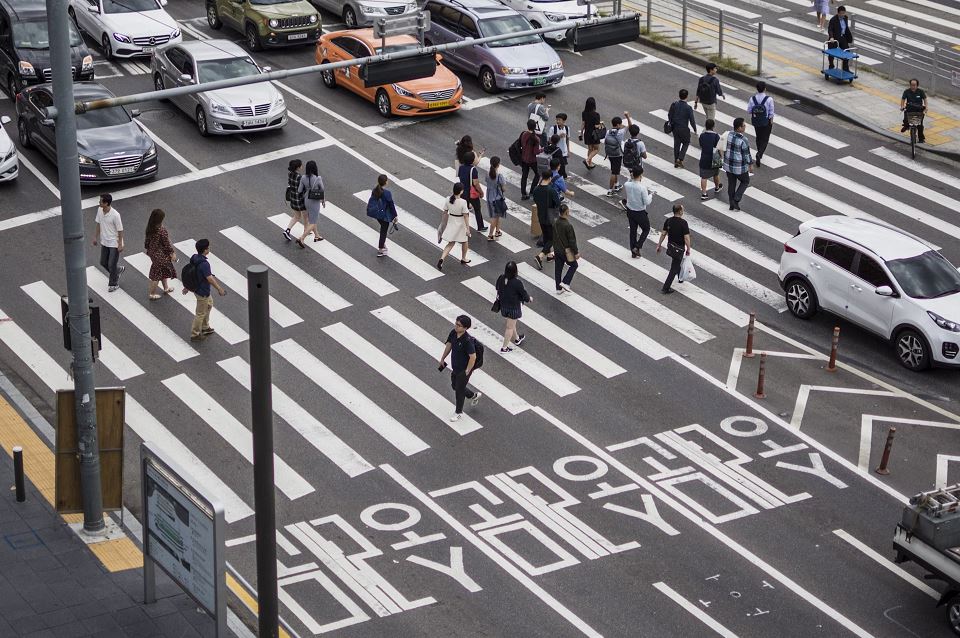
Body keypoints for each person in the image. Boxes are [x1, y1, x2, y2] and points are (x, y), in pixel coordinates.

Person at [438, 314, 482, 422]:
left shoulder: (467, 341)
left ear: (465, 328)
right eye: (456, 323)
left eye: (459, 325)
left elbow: (473, 357)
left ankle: (458, 412)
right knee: (454, 386)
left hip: (464, 369)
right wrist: (443, 358)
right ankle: (473, 395)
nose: (456, 326)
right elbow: (449, 345)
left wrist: (467, 371)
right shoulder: (453, 333)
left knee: (459, 390)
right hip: (456, 367)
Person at [183, 238, 226, 342]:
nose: (209, 249)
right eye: (208, 248)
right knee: (200, 313)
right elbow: (209, 278)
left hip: (199, 289)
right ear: (205, 250)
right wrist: (219, 289)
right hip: (202, 291)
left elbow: (191, 273)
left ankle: (205, 327)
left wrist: (187, 286)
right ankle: (195, 334)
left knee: (209, 304)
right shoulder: (204, 264)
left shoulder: (195, 257)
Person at [495, 261, 531, 353]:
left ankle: (517, 339)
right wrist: (529, 299)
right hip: (513, 308)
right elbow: (524, 295)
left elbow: (497, 287)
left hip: (503, 306)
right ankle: (504, 348)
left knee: (511, 324)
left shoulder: (501, 278)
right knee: (509, 327)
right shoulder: (517, 282)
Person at [91, 193, 125, 292]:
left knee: (111, 264)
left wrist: (120, 244)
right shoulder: (99, 210)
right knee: (103, 262)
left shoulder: (115, 215)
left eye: (100, 201)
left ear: (106, 203)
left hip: (114, 243)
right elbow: (98, 224)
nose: (99, 202)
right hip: (105, 241)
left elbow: (120, 230)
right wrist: (95, 237)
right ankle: (117, 271)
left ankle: (113, 284)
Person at [655, 203, 691, 295]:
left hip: (671, 247)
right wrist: (688, 249)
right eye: (682, 210)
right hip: (679, 248)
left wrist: (659, 245)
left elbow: (663, 234)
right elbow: (686, 238)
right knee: (674, 267)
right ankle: (665, 288)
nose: (683, 211)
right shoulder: (683, 223)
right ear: (680, 211)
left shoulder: (668, 221)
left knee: (676, 262)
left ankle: (680, 277)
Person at [437, 183, 472, 269]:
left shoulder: (448, 199)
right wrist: (468, 229)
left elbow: (445, 212)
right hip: (461, 223)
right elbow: (466, 216)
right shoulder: (463, 202)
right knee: (465, 241)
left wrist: (443, 223)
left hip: (451, 221)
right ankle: (463, 258)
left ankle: (442, 259)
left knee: (451, 243)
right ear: (461, 192)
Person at [144, 208, 177, 300]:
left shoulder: (150, 227)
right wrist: (172, 253)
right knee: (157, 274)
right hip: (160, 255)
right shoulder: (161, 230)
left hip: (153, 253)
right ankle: (152, 294)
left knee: (162, 270)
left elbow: (147, 242)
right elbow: (167, 244)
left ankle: (166, 288)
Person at [531, 171, 561, 270]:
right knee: (552, 238)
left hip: (541, 216)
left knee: (546, 237)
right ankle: (540, 256)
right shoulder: (551, 190)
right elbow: (557, 203)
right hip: (550, 217)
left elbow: (535, 200)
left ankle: (549, 256)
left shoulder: (536, 189)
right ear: (550, 178)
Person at [722, 117, 753, 211]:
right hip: (739, 167)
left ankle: (731, 203)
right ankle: (736, 199)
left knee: (731, 183)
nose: (745, 127)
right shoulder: (743, 140)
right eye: (743, 125)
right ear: (739, 128)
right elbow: (747, 154)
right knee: (745, 181)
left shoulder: (728, 134)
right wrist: (750, 164)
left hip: (728, 164)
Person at [622, 167, 653, 259]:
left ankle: (633, 251)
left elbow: (629, 181)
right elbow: (646, 202)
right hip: (640, 212)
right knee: (646, 229)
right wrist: (651, 195)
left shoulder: (627, 184)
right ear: (640, 175)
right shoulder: (642, 188)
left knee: (633, 231)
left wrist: (631, 177)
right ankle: (638, 246)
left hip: (630, 210)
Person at [366, 174, 399, 257]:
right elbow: (391, 206)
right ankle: (381, 249)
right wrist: (395, 216)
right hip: (384, 216)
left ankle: (382, 245)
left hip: (377, 214)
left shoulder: (375, 190)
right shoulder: (387, 193)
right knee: (383, 232)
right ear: (386, 182)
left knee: (383, 229)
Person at [296, 160, 324, 248]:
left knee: (312, 219)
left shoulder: (303, 177)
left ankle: (317, 236)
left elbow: (299, 190)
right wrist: (323, 200)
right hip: (314, 201)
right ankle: (302, 238)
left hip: (306, 200)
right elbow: (322, 190)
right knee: (313, 221)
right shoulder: (318, 178)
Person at [603, 112, 632, 196]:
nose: (621, 125)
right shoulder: (620, 132)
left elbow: (605, 141)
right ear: (618, 124)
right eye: (621, 124)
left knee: (614, 169)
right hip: (617, 155)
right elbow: (630, 126)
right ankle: (609, 190)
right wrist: (627, 116)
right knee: (614, 172)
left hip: (609, 153)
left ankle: (616, 185)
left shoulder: (608, 132)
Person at [458, 151, 487, 232]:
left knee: (465, 209)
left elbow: (460, 176)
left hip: (462, 192)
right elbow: (476, 183)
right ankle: (480, 227)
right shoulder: (473, 170)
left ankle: (463, 226)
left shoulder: (461, 167)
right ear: (472, 160)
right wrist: (481, 192)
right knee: (477, 209)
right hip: (471, 193)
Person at [552, 204, 579, 294]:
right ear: (566, 212)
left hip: (557, 250)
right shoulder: (568, 225)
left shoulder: (555, 223)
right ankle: (565, 282)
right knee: (574, 265)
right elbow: (572, 241)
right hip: (565, 251)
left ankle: (558, 289)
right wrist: (576, 252)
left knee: (558, 269)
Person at [747, 81, 775, 166]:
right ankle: (759, 154)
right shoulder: (769, 99)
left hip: (756, 121)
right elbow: (771, 112)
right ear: (765, 89)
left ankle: (759, 151)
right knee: (765, 139)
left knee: (758, 137)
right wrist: (771, 120)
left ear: (757, 89)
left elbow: (749, 111)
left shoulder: (752, 99)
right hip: (766, 121)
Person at [668, 89, 697, 169]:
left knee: (677, 144)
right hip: (684, 128)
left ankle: (676, 161)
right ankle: (680, 158)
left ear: (679, 95)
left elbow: (669, 115)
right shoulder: (688, 108)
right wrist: (694, 129)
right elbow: (692, 120)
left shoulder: (674, 104)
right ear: (687, 96)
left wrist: (671, 123)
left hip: (675, 128)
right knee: (686, 142)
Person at [698, 118, 724, 200]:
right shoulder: (716, 136)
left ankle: (704, 193)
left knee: (704, 177)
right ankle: (717, 187)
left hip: (704, 158)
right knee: (716, 174)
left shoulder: (702, 136)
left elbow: (701, 145)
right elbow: (719, 148)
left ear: (705, 126)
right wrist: (721, 157)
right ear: (713, 126)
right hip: (714, 159)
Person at [283, 159, 306, 241]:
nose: (302, 166)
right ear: (298, 167)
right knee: (306, 216)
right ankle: (306, 231)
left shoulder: (290, 174)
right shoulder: (300, 177)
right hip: (300, 200)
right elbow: (302, 189)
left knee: (297, 216)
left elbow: (290, 183)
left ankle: (287, 230)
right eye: (301, 165)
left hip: (293, 199)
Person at [485, 156, 507, 241]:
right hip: (497, 198)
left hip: (489, 196)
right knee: (495, 217)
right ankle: (490, 235)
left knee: (497, 215)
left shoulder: (487, 173)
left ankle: (497, 231)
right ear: (498, 165)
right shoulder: (499, 176)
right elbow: (504, 189)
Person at [900, 78, 927, 144]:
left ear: (917, 85)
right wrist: (902, 106)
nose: (913, 86)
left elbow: (925, 99)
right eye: (912, 85)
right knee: (906, 120)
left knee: (919, 125)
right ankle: (906, 126)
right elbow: (903, 99)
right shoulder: (906, 91)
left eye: (914, 85)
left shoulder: (920, 91)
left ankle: (921, 139)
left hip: (919, 110)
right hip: (909, 109)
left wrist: (926, 107)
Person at [519, 120, 541, 201]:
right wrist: (542, 149)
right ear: (535, 127)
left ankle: (523, 194)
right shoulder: (536, 139)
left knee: (524, 176)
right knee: (537, 174)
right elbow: (536, 152)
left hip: (524, 158)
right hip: (532, 160)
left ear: (527, 126)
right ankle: (532, 191)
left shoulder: (523, 134)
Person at [827, 5, 853, 72]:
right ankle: (831, 65)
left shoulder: (845, 18)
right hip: (834, 39)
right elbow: (830, 29)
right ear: (838, 13)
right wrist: (831, 37)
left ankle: (845, 68)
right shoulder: (833, 19)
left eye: (843, 13)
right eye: (841, 13)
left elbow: (846, 27)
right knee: (831, 53)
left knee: (846, 51)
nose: (842, 15)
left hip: (843, 37)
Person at [580, 97, 602, 170]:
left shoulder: (584, 113)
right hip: (594, 134)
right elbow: (596, 126)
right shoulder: (596, 115)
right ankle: (587, 160)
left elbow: (583, 124)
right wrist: (600, 124)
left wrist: (581, 133)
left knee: (590, 149)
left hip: (587, 133)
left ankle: (589, 163)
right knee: (596, 149)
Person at [548, 113, 570, 177]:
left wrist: (568, 150)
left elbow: (567, 140)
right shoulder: (553, 129)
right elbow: (550, 141)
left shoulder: (567, 128)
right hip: (555, 152)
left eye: (559, 120)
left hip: (564, 151)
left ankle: (561, 177)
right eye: (557, 120)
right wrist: (558, 137)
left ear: (564, 121)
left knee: (562, 166)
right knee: (556, 167)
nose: (557, 121)